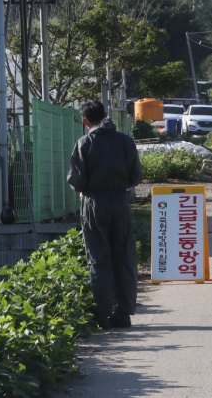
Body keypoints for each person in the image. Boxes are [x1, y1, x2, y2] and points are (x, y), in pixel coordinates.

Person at [67, 101, 144, 329]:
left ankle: (102, 315)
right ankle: (124, 313)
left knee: (99, 259)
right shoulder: (125, 142)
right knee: (125, 256)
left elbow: (76, 180)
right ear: (106, 115)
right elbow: (136, 176)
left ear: (84, 122)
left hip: (94, 202)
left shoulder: (84, 143)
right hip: (120, 201)